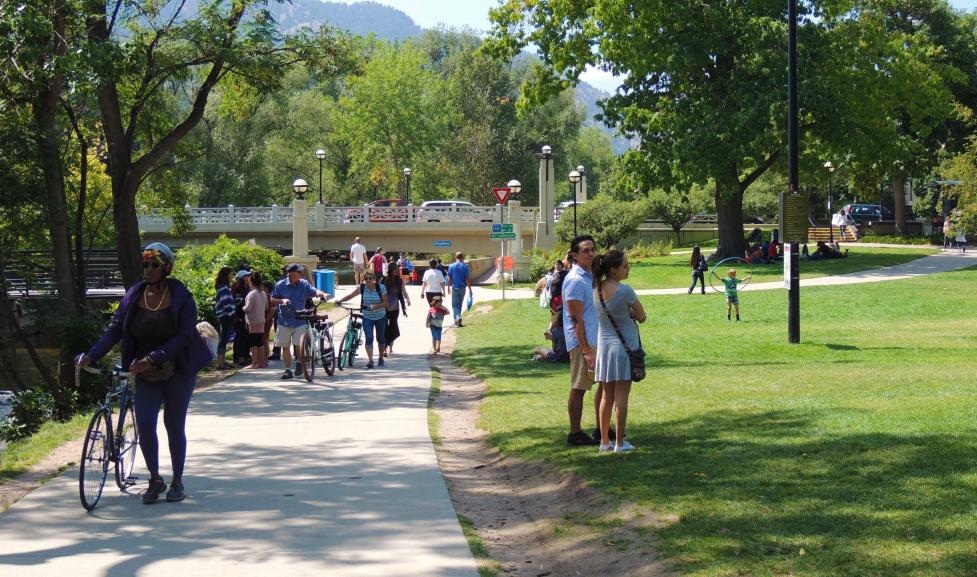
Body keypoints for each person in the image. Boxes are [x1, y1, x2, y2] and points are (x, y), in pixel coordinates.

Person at [76, 242, 213, 504]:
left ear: (167, 268)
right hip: (145, 372)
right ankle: (155, 479)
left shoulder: (183, 297)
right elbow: (115, 330)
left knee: (174, 425)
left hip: (178, 369)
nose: (148, 269)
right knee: (146, 423)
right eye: (145, 264)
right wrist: (91, 355)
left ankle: (177, 481)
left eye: (154, 265)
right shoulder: (133, 295)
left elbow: (183, 337)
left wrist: (152, 358)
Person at [593, 249, 646, 453]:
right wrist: (637, 316)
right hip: (624, 348)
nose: (628, 268)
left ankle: (604, 442)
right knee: (621, 397)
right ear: (613, 270)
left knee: (606, 396)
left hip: (605, 347)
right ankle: (619, 443)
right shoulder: (625, 291)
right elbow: (641, 314)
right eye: (625, 265)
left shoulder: (596, 288)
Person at [562, 234, 606, 446]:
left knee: (605, 384)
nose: (590, 254)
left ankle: (601, 428)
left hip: (597, 338)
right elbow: (575, 319)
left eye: (592, 249)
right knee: (579, 387)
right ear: (574, 255)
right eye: (585, 251)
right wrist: (586, 350)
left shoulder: (591, 277)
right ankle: (575, 433)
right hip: (583, 342)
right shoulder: (574, 280)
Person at [271, 264, 330, 380]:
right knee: (285, 346)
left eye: (299, 273)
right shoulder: (280, 285)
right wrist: (282, 300)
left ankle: (299, 361)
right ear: (291, 274)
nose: (299, 275)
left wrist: (323, 294)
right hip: (284, 320)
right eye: (297, 273)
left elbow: (314, 291)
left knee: (298, 344)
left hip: (300, 319)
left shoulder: (303, 283)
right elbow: (272, 300)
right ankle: (288, 370)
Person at [336, 269, 388, 368]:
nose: (368, 280)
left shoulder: (381, 287)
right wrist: (340, 301)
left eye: (370, 278)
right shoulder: (362, 288)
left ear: (374, 279)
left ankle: (381, 357)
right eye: (366, 278)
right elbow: (350, 296)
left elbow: (386, 303)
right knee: (369, 337)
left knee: (380, 338)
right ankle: (370, 360)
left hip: (380, 316)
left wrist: (374, 306)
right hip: (367, 316)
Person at [241, 271, 268, 369]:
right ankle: (262, 363)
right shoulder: (263, 294)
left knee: (253, 342)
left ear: (251, 282)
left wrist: (242, 308)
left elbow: (248, 309)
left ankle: (254, 363)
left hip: (252, 321)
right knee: (260, 342)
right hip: (261, 320)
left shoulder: (251, 295)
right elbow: (266, 307)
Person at [383, 261, 410, 356]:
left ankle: (390, 348)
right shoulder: (383, 280)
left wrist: (407, 299)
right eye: (396, 270)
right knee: (385, 328)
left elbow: (404, 291)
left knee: (393, 328)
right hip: (384, 308)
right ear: (393, 270)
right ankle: (385, 348)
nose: (397, 271)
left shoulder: (399, 281)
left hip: (395, 308)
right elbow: (378, 293)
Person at [213, 266, 236, 370]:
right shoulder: (223, 287)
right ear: (226, 275)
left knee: (225, 339)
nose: (232, 276)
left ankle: (223, 361)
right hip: (226, 316)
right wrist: (232, 314)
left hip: (225, 316)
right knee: (223, 339)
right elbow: (225, 302)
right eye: (231, 274)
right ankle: (220, 364)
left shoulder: (223, 287)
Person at [447, 252, 472, 327]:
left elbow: (450, 278)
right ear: (462, 257)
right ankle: (458, 321)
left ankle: (458, 318)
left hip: (455, 288)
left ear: (455, 257)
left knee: (455, 305)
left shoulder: (451, 266)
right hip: (463, 288)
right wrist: (470, 290)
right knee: (459, 305)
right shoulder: (465, 266)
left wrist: (448, 287)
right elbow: (467, 279)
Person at [261, 279, 276, 362]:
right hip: (266, 320)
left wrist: (266, 320)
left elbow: (272, 309)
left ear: (266, 288)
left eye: (261, 286)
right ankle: (265, 359)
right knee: (265, 339)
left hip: (266, 320)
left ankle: (265, 359)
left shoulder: (267, 296)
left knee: (264, 339)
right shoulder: (267, 296)